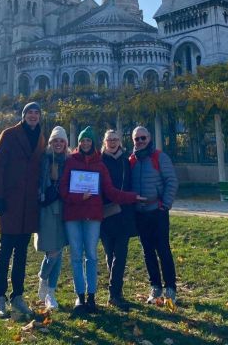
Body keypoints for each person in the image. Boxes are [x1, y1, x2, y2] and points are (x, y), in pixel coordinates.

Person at [60, 126, 145, 315]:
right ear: (79, 142)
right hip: (73, 215)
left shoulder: (99, 164)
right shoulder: (71, 161)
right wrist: (78, 198)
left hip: (93, 216)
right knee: (76, 256)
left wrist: (132, 197)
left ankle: (91, 296)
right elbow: (63, 189)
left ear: (93, 142)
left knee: (91, 255)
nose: (85, 143)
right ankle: (79, 296)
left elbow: (110, 191)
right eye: (83, 140)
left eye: (88, 140)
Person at [0, 102, 45, 319]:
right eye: (30, 113)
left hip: (29, 204)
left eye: (36, 113)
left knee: (22, 253)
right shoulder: (9, 134)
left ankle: (18, 296)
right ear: (23, 115)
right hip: (11, 201)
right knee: (5, 251)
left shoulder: (41, 137)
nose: (33, 116)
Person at [129, 126, 178, 304]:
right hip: (140, 213)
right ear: (133, 141)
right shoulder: (132, 160)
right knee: (147, 251)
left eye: (143, 138)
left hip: (157, 211)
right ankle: (155, 286)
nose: (140, 141)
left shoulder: (159, 157)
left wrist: (165, 205)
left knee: (163, 249)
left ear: (149, 138)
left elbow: (171, 180)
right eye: (137, 139)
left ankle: (170, 287)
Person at [100, 129, 136, 310]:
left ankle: (115, 292)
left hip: (123, 213)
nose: (112, 142)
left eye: (115, 139)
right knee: (109, 253)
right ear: (105, 142)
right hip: (105, 213)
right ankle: (115, 291)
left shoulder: (126, 161)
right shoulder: (99, 160)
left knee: (120, 254)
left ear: (120, 141)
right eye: (109, 139)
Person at [34, 125, 70, 310]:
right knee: (52, 251)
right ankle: (43, 278)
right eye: (55, 140)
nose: (58, 143)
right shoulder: (44, 159)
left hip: (65, 209)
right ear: (51, 142)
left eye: (61, 140)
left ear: (65, 143)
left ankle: (50, 292)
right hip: (47, 209)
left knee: (59, 252)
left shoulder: (70, 160)